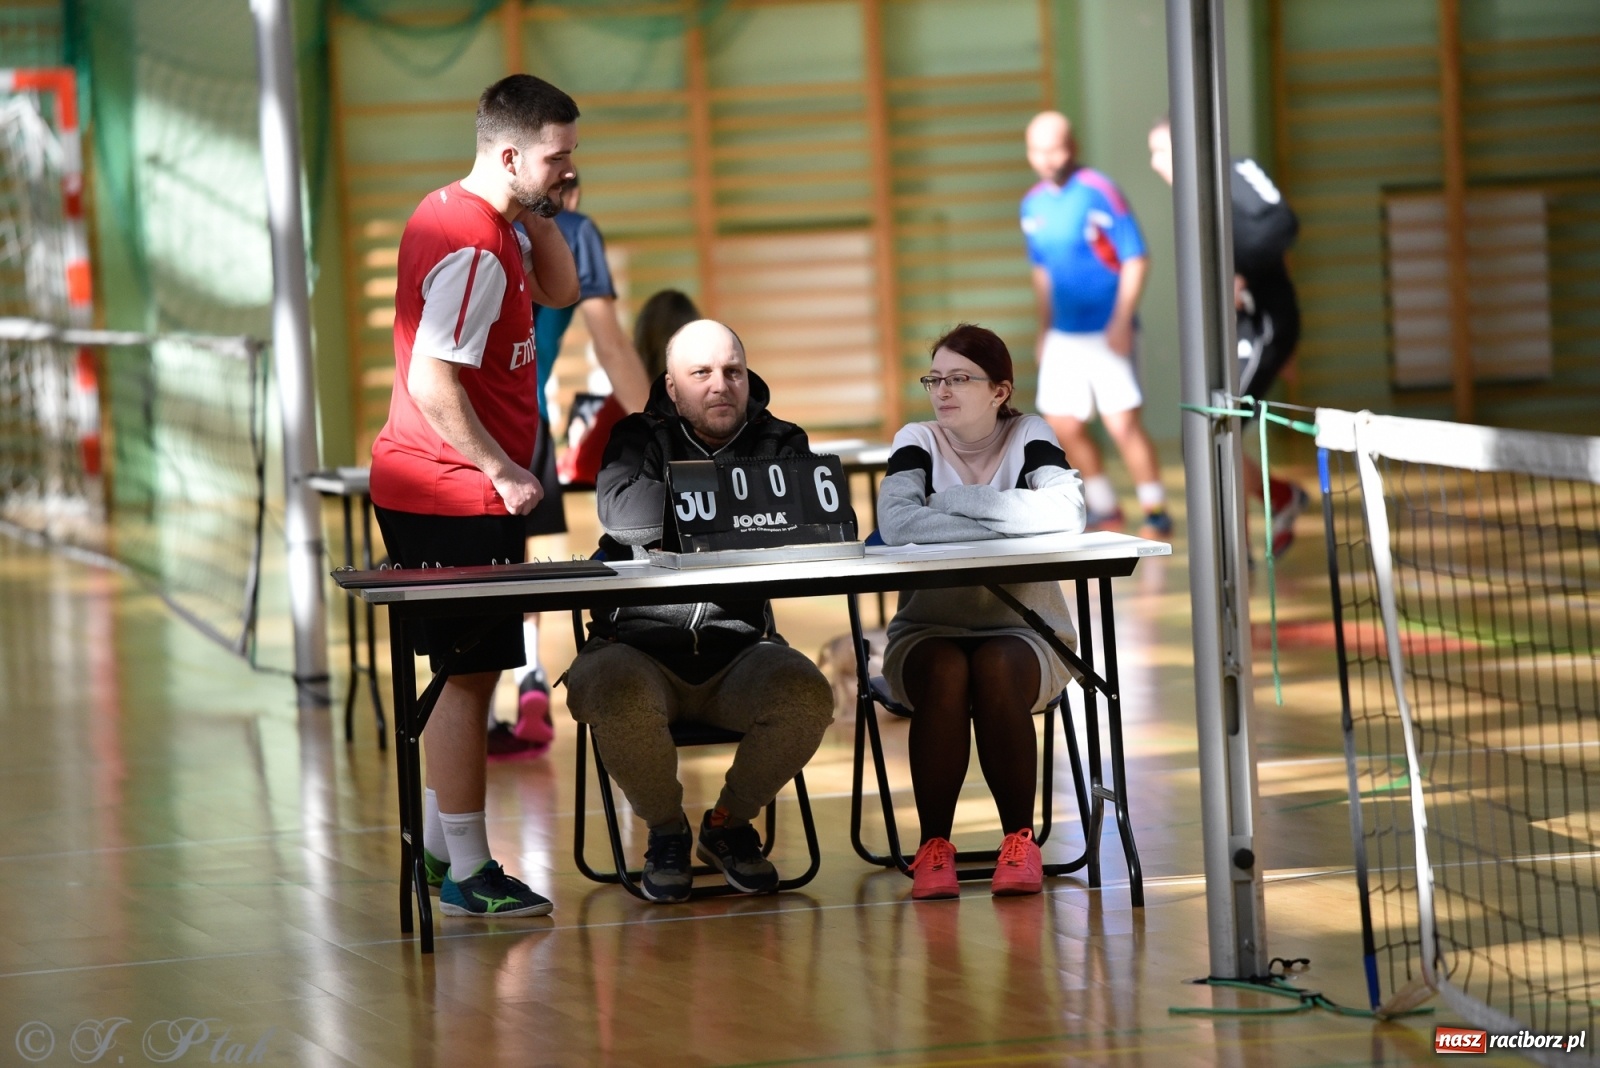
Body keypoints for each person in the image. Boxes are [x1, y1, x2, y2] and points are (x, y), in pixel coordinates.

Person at [368, 74, 581, 917]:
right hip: (451, 490)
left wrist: (546, 203)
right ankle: (466, 870)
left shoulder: (484, 218)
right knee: (466, 681)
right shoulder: (473, 247)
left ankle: (431, 850)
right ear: (507, 155)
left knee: (468, 678)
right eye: (558, 158)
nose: (571, 170)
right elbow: (431, 378)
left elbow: (563, 292)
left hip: (445, 486)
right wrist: (499, 467)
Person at [563, 318, 835, 904]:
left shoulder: (781, 439)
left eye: (732, 371)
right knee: (615, 695)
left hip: (740, 651)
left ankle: (728, 824)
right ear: (671, 385)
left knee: (807, 695)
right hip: (631, 650)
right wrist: (746, 502)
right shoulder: (634, 436)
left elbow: (808, 522)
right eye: (702, 373)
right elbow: (628, 520)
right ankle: (666, 831)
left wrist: (694, 507)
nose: (721, 385)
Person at [876, 323, 1087, 901]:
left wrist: (952, 504)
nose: (942, 391)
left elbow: (1067, 514)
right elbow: (897, 524)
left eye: (960, 379)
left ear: (999, 391)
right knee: (946, 669)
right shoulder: (915, 439)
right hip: (926, 631)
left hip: (1028, 633)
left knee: (995, 663)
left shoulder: (1029, 435)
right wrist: (1014, 516)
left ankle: (1020, 843)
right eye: (935, 379)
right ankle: (933, 848)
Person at [491, 172, 654, 762]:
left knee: (482, 573)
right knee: (519, 564)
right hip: (522, 422)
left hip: (469, 427)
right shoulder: (576, 232)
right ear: (572, 193)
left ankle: (486, 711)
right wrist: (661, 434)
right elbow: (609, 346)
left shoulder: (487, 228)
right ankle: (531, 679)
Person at [1148, 117, 1309, 554]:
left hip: (1264, 325)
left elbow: (1282, 225)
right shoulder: (1192, 205)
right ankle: (1278, 500)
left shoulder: (1234, 173)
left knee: (1216, 429)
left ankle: (1236, 555)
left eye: (1161, 151)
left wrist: (1243, 273)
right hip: (1238, 329)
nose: (1154, 162)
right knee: (1203, 433)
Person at [1022, 110, 1171, 539]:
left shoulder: (1100, 192)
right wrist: (1044, 330)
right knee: (1063, 426)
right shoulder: (1031, 205)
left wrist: (1123, 320)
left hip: (1107, 330)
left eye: (1056, 148)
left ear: (1073, 147)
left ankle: (1155, 507)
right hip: (1063, 335)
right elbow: (1042, 272)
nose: (1048, 158)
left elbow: (1135, 258)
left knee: (1122, 424)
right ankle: (1105, 506)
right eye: (1038, 150)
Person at [557, 288, 700, 489]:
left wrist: (576, 443)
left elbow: (582, 469)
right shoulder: (708, 402)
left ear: (640, 336)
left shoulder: (622, 402)